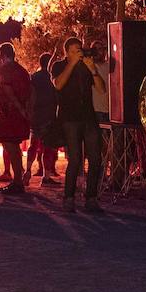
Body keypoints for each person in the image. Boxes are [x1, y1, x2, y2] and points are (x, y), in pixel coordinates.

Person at [51, 36, 106, 213]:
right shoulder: (59, 66)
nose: (78, 54)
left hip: (88, 117)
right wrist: (72, 63)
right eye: (74, 51)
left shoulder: (86, 66)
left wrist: (93, 70)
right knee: (75, 159)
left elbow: (101, 89)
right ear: (66, 53)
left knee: (96, 158)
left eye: (79, 50)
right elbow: (58, 85)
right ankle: (69, 198)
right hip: (70, 118)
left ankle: (91, 198)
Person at [0, 42, 31, 196]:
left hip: (9, 113)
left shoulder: (5, 70)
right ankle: (17, 179)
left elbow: (7, 91)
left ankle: (17, 182)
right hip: (18, 112)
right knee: (14, 146)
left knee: (11, 147)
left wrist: (19, 109)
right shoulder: (22, 70)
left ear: (3, 55)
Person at [25, 52, 60, 186]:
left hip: (36, 115)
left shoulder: (34, 77)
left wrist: (30, 111)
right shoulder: (52, 77)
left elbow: (30, 94)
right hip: (49, 115)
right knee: (48, 148)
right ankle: (46, 177)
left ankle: (27, 170)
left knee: (33, 145)